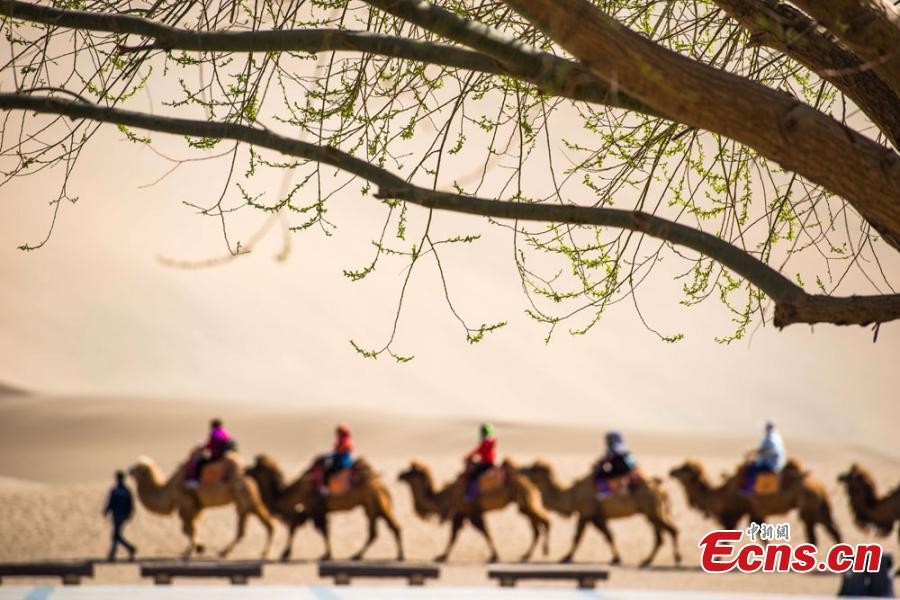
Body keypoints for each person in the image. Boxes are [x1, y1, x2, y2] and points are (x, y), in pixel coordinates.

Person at [186, 418, 233, 489]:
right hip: (224, 456)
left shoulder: (214, 433)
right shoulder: (224, 433)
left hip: (216, 456)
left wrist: (202, 447)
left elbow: (210, 445)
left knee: (200, 463)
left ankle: (195, 481)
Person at [742, 420, 786, 494]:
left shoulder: (771, 438)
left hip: (770, 465)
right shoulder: (774, 437)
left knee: (751, 470)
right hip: (772, 463)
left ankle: (749, 489)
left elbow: (767, 450)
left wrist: (752, 452)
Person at [103, 470, 136, 561]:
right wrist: (129, 514)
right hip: (121, 515)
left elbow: (111, 503)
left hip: (118, 515)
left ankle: (130, 548)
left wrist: (106, 511)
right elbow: (131, 505)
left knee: (116, 535)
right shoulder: (126, 490)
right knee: (116, 534)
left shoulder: (116, 490)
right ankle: (112, 554)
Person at [595, 431, 637, 498]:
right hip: (628, 470)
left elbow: (607, 460)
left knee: (599, 475)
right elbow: (632, 462)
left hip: (619, 471)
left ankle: (605, 491)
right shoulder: (624, 449)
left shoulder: (613, 448)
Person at [464, 423, 497, 502]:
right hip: (489, 463)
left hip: (487, 464)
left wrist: (468, 457)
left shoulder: (485, 443)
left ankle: (472, 495)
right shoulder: (491, 442)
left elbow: (476, 451)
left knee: (472, 476)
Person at [320, 424, 354, 496]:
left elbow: (340, 451)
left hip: (342, 463)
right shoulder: (347, 440)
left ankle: (325, 491)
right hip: (344, 461)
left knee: (327, 472)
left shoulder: (343, 441)